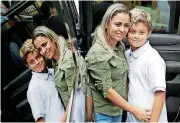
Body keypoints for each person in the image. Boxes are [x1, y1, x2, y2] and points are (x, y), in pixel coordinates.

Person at [85, 3, 150, 122]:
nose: (122, 30)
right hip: (103, 114)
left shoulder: (119, 46)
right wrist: (134, 110)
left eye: (126, 25)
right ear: (106, 24)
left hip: (118, 111)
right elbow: (107, 91)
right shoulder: (97, 53)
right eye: (118, 24)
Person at [32, 26, 91, 121]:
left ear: (52, 39)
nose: (43, 51)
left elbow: (75, 98)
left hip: (83, 114)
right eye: (39, 49)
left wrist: (63, 121)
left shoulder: (67, 60)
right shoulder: (55, 60)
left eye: (44, 44)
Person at [125, 8, 168, 122]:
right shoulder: (127, 54)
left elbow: (160, 95)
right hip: (133, 117)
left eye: (141, 32)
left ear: (149, 33)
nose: (136, 36)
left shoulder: (153, 60)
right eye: (132, 31)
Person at [19, 39, 67, 122]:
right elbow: (40, 121)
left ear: (42, 54)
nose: (37, 62)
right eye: (32, 62)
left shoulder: (53, 71)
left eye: (38, 57)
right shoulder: (34, 89)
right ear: (28, 66)